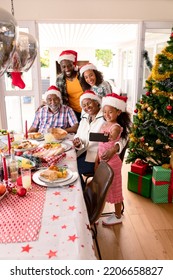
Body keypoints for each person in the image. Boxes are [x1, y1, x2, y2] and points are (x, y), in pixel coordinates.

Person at [73, 90, 127, 190]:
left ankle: (83, 198)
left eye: (89, 103)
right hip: (82, 153)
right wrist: (77, 142)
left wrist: (114, 148)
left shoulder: (107, 116)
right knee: (68, 165)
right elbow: (78, 134)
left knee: (73, 171)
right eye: (84, 105)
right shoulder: (84, 117)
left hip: (98, 158)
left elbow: (124, 135)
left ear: (97, 102)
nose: (87, 107)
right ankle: (81, 194)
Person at [95, 93, 131, 226]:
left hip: (113, 164)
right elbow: (98, 143)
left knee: (115, 189)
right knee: (103, 189)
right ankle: (98, 214)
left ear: (118, 112)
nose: (107, 114)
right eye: (105, 111)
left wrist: (112, 135)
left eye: (110, 112)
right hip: (103, 162)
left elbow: (115, 134)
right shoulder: (104, 124)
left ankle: (117, 216)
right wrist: (97, 160)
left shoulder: (115, 126)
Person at [56, 50, 83, 122]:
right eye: (63, 67)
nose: (67, 69)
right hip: (72, 112)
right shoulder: (59, 79)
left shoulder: (82, 75)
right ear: (60, 67)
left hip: (87, 110)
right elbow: (58, 96)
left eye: (69, 65)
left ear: (73, 64)